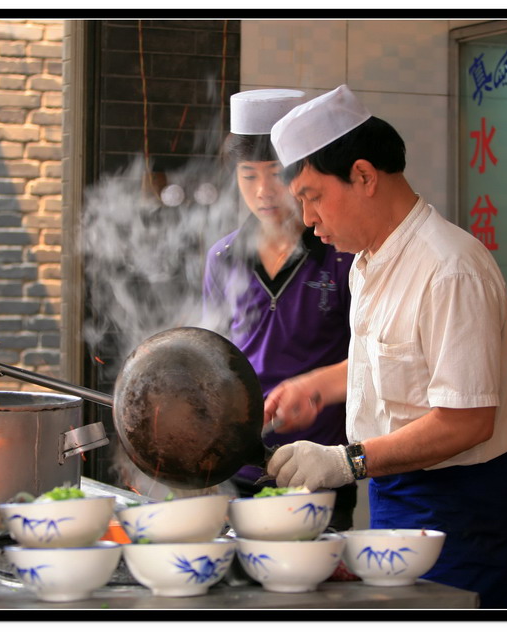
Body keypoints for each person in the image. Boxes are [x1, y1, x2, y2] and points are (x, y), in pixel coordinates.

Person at [263, 85, 507, 608]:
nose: (308, 221)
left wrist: (345, 462)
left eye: (313, 197)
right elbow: (385, 361)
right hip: (392, 496)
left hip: (459, 509)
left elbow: (466, 420)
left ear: (363, 176)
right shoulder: (368, 263)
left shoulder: (450, 269)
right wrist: (315, 386)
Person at [202, 89, 357, 530]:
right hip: (239, 466)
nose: (264, 191)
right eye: (248, 176)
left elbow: (369, 359)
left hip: (321, 468)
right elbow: (213, 356)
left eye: (277, 174)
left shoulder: (340, 253)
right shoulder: (222, 256)